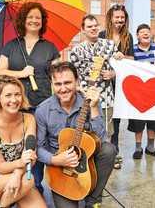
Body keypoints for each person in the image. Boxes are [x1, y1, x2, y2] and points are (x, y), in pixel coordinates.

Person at [0, 2, 60, 194]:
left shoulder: (49, 47)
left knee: (36, 146)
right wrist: (21, 73)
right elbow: (0, 72)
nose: (34, 20)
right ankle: (12, 184)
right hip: (15, 106)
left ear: (42, 22)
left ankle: (34, 185)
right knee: (15, 147)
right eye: (30, 17)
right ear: (23, 20)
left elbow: (58, 75)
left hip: (41, 105)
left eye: (38, 17)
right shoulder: (11, 46)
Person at [35, 61, 116, 208]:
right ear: (52, 84)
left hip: (86, 162)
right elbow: (37, 148)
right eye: (58, 84)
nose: (63, 88)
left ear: (77, 81)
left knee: (109, 150)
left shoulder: (90, 101)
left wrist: (94, 109)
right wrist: (55, 160)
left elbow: (102, 139)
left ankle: (93, 200)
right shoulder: (43, 110)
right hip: (60, 170)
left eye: (67, 82)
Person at [0, 75, 46, 208]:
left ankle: (1, 204)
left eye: (17, 94)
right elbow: (1, 166)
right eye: (8, 95)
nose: (14, 100)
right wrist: (20, 166)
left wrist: (17, 174)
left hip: (22, 173)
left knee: (33, 191)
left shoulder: (29, 119)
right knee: (29, 180)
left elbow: (30, 156)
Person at [70, 14, 123, 143]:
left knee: (107, 130)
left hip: (106, 95)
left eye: (95, 26)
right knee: (85, 130)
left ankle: (107, 157)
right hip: (84, 96)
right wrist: (78, 89)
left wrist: (113, 73)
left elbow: (120, 67)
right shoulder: (76, 50)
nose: (93, 28)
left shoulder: (109, 45)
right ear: (83, 29)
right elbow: (72, 74)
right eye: (89, 26)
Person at [98, 4, 134, 169]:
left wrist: (117, 69)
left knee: (115, 120)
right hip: (103, 85)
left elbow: (132, 60)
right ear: (110, 18)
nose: (119, 20)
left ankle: (114, 153)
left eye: (122, 17)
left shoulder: (128, 37)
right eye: (117, 17)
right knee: (101, 119)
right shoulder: (102, 35)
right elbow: (97, 57)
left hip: (120, 85)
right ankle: (100, 152)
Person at [129, 24, 155, 159]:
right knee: (138, 120)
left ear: (151, 34)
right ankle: (138, 148)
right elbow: (127, 66)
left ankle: (150, 147)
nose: (145, 34)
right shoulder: (132, 49)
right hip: (137, 93)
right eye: (142, 32)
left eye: (147, 32)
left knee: (153, 120)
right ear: (137, 35)